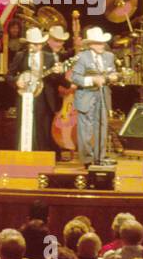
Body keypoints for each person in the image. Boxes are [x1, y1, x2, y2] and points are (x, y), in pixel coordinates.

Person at [69, 27, 120, 166]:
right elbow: (75, 78)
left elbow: (112, 73)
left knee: (102, 128)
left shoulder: (109, 56)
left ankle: (100, 158)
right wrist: (92, 80)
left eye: (102, 43)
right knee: (85, 131)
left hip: (103, 96)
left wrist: (113, 77)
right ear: (90, 44)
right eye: (98, 43)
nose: (101, 45)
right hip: (86, 96)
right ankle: (87, 159)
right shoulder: (82, 57)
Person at [8, 26, 60, 152]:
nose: (36, 47)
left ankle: (42, 155)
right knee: (24, 125)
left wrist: (57, 73)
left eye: (39, 44)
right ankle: (24, 153)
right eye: (33, 44)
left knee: (42, 127)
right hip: (25, 95)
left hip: (43, 96)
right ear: (28, 44)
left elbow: (56, 79)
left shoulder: (49, 57)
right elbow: (9, 75)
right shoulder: (20, 56)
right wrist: (17, 81)